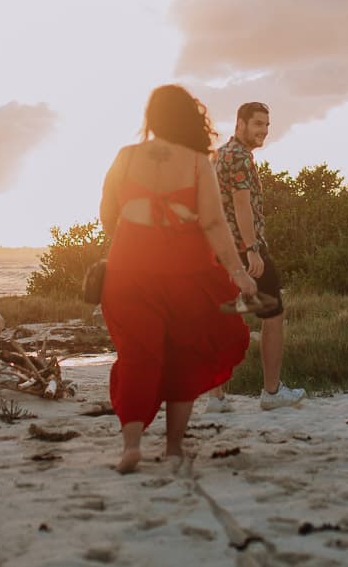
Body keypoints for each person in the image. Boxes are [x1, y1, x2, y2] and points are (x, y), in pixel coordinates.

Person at [98, 84, 260, 473]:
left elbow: (106, 214)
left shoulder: (125, 156)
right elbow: (214, 224)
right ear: (189, 117)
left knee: (138, 354)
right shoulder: (195, 162)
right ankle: (173, 448)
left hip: (129, 265)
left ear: (151, 118)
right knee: (185, 356)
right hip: (185, 269)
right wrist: (239, 273)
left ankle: (131, 446)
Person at [210, 101, 306, 411]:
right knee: (274, 315)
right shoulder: (239, 157)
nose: (264, 131)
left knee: (223, 317)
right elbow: (241, 206)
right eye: (258, 124)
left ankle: (216, 396)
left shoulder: (220, 154)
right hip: (243, 248)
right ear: (240, 124)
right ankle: (272, 393)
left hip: (220, 248)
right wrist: (252, 249)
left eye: (266, 125)